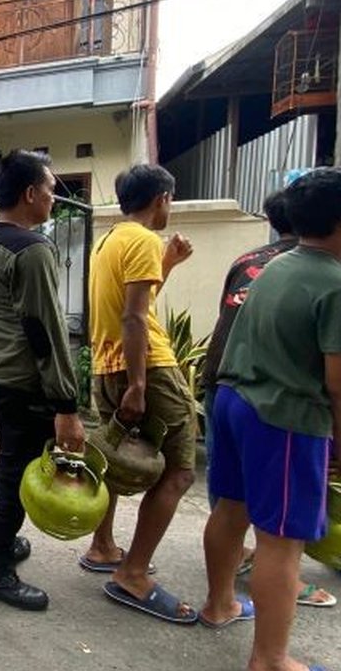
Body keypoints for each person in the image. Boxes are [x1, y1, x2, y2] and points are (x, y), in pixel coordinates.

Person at [203, 167, 341, 669]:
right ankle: (271, 659)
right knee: (281, 542)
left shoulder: (272, 265)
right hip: (283, 417)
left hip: (234, 400)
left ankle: (219, 604)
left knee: (230, 511)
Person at [200, 189, 336, 608]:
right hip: (278, 400)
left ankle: (221, 598)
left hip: (223, 381)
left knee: (231, 499)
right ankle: (278, 590)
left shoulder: (248, 261)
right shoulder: (331, 272)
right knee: (279, 526)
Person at [82, 164, 198, 624]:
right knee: (180, 472)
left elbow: (134, 305)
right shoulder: (144, 240)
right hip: (146, 364)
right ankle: (132, 574)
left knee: (112, 460)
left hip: (106, 365)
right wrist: (138, 384)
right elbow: (135, 318)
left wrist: (167, 264)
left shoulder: (111, 240)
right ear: (162, 199)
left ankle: (103, 545)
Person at [0, 150, 82, 610]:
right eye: (52, 189)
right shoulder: (33, 249)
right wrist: (67, 405)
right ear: (31, 193)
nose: (55, 197)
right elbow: (45, 331)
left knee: (9, 461)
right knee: (16, 471)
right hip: (23, 383)